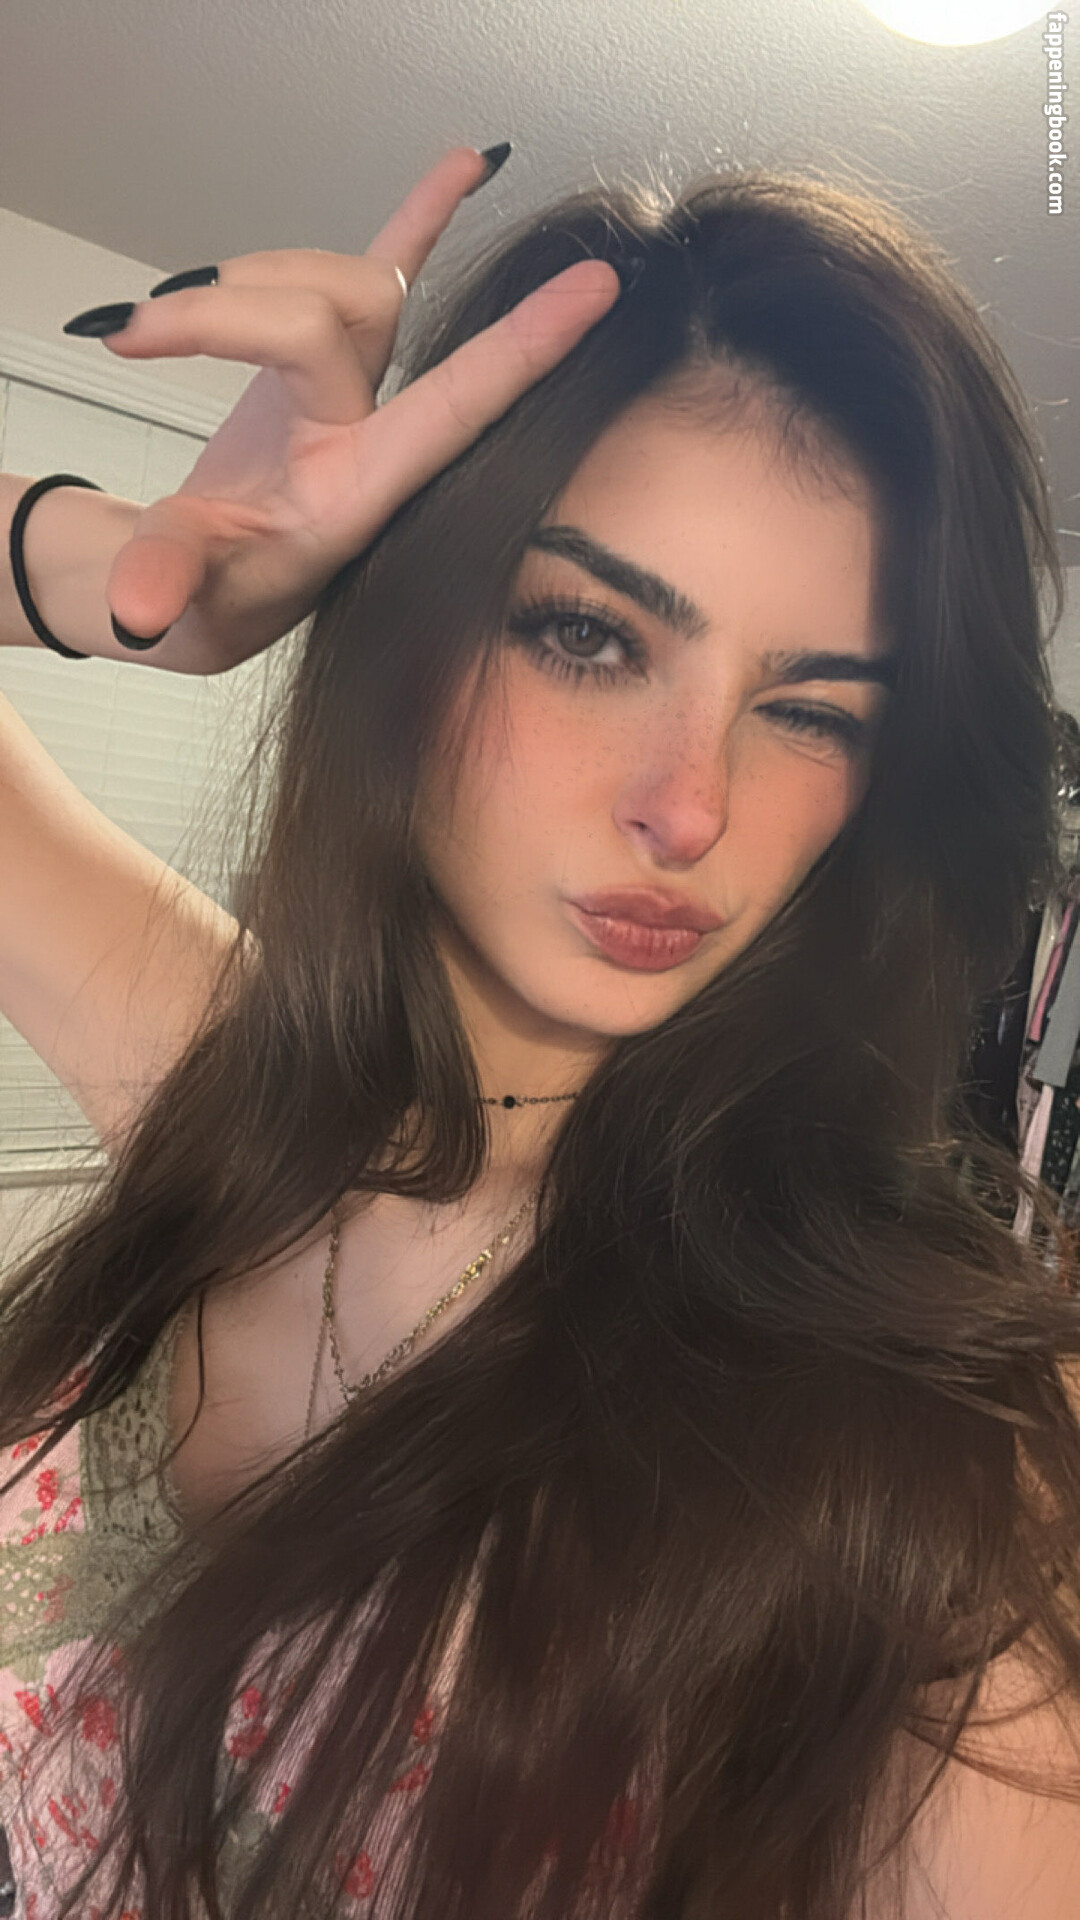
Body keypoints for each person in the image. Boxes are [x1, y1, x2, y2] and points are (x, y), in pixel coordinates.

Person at [0, 140, 1079, 1920]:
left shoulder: (931, 1457)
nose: (690, 807)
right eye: (589, 635)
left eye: (813, 714)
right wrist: (127, 576)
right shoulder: (230, 1088)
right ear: (414, 627)